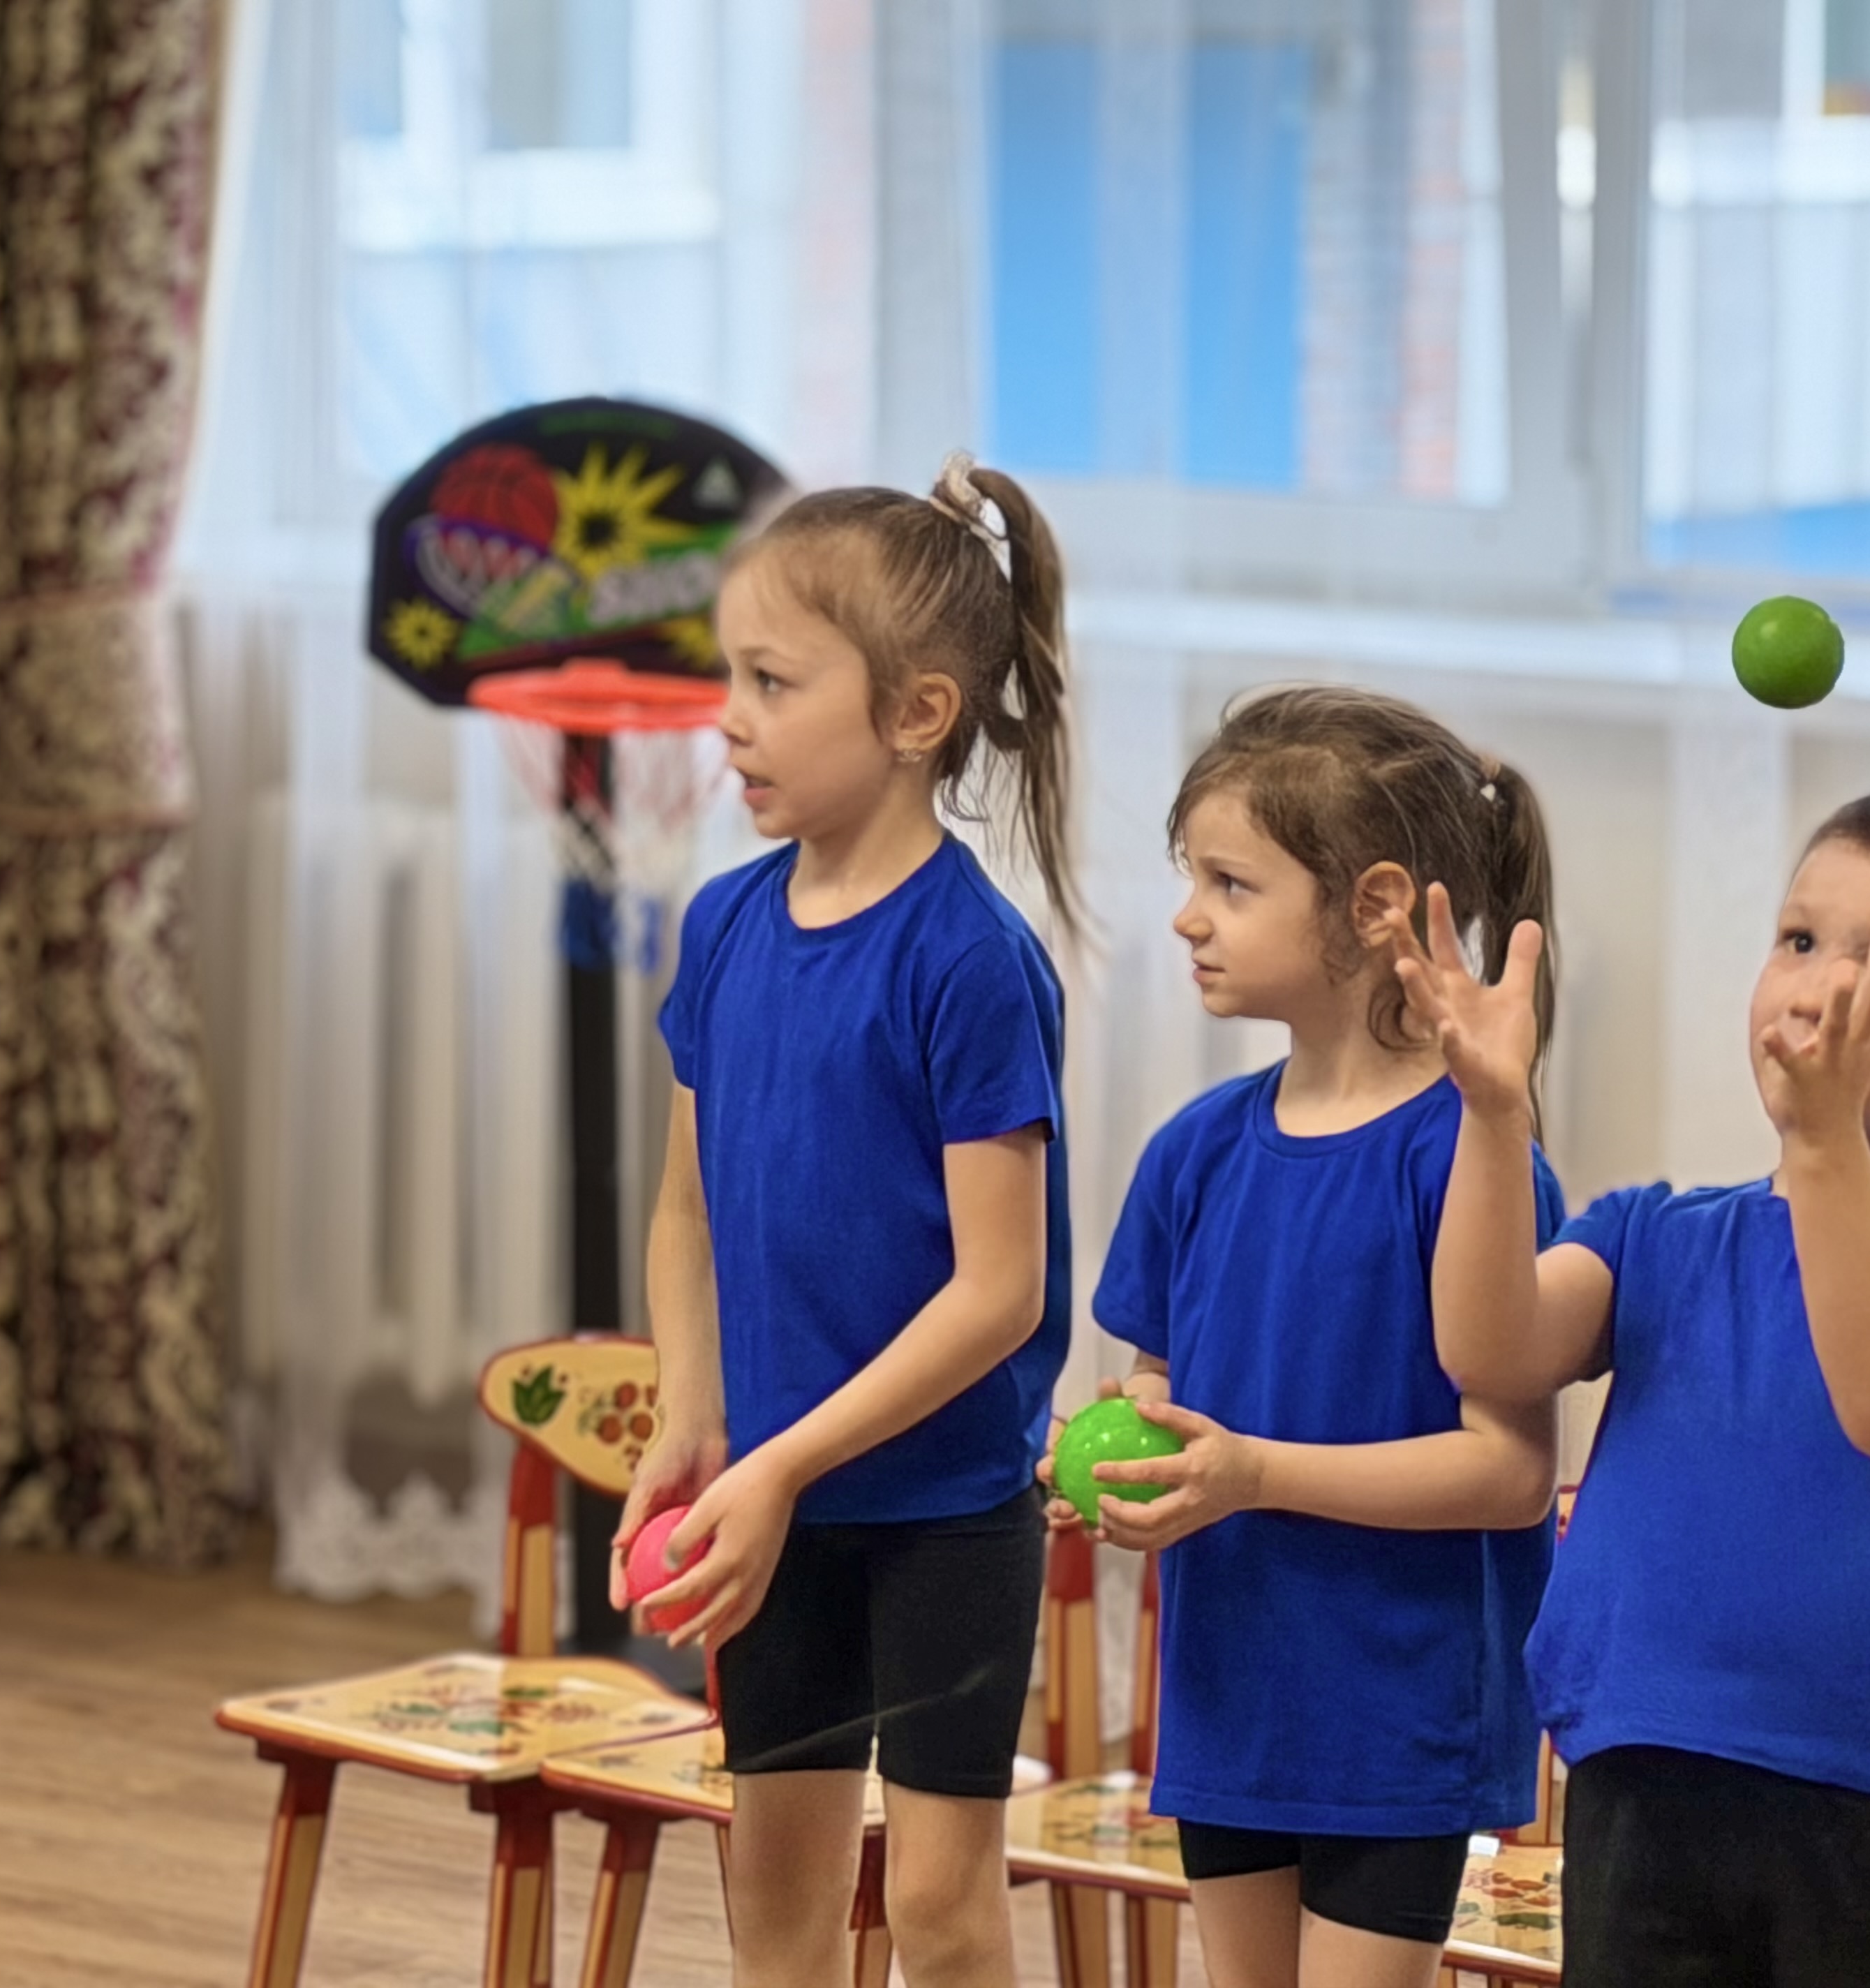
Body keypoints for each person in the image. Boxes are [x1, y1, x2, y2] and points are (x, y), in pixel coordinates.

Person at [1406, 787, 1870, 1988]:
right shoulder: (1653, 1230)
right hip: (1641, 1775)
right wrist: (1494, 1115)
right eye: (1800, 940)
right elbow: (1489, 1347)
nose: (1821, 987)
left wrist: (1825, 1146)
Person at [611, 455, 1076, 1988]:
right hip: (774, 1508)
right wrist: (697, 1418)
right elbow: (684, 1211)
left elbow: (999, 1293)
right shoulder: (724, 926)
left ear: (915, 713)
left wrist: (780, 1460)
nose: (728, 718)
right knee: (779, 1907)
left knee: (940, 1913)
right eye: (727, 676)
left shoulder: (970, 962)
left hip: (944, 1514)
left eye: (771, 680)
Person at [1064, 685, 1567, 1988]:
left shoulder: (1474, 1158)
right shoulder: (1192, 1153)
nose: (1188, 916)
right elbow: (1161, 1402)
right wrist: (1122, 1470)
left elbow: (1510, 1474)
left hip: (1394, 1717)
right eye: (1193, 878)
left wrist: (1253, 1474)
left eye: (1230, 884)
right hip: (1230, 1696)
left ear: (1375, 906)